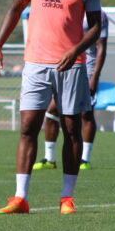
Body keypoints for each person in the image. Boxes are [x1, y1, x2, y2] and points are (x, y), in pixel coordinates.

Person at [0, 0, 101, 215]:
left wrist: (75, 50)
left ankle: (67, 198)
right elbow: (16, 8)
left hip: (72, 66)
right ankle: (20, 198)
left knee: (71, 130)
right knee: (28, 127)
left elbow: (97, 27)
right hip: (36, 64)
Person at [33, 11, 109, 171]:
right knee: (51, 111)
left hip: (86, 69)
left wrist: (94, 76)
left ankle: (85, 159)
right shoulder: (65, 9)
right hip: (64, 65)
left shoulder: (98, 15)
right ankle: (49, 158)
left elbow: (101, 47)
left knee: (85, 113)